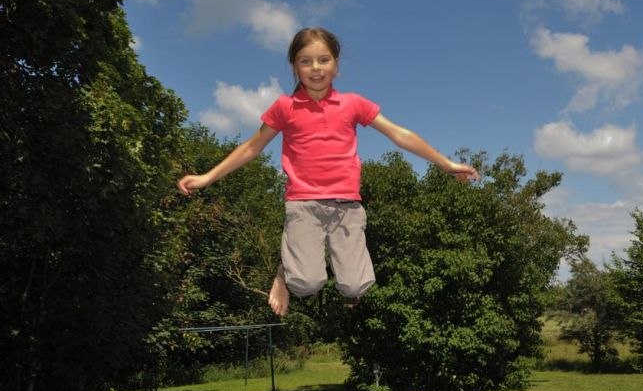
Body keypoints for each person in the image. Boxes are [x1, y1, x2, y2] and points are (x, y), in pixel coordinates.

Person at [178, 27, 479, 317]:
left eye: (324, 60)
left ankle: (347, 286)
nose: (316, 68)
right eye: (305, 61)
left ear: (336, 65)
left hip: (346, 205)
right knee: (306, 284)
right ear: (295, 67)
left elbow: (398, 134)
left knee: (355, 285)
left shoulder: (353, 104)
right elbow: (252, 147)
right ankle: (284, 272)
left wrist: (446, 163)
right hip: (303, 204)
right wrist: (208, 177)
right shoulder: (285, 107)